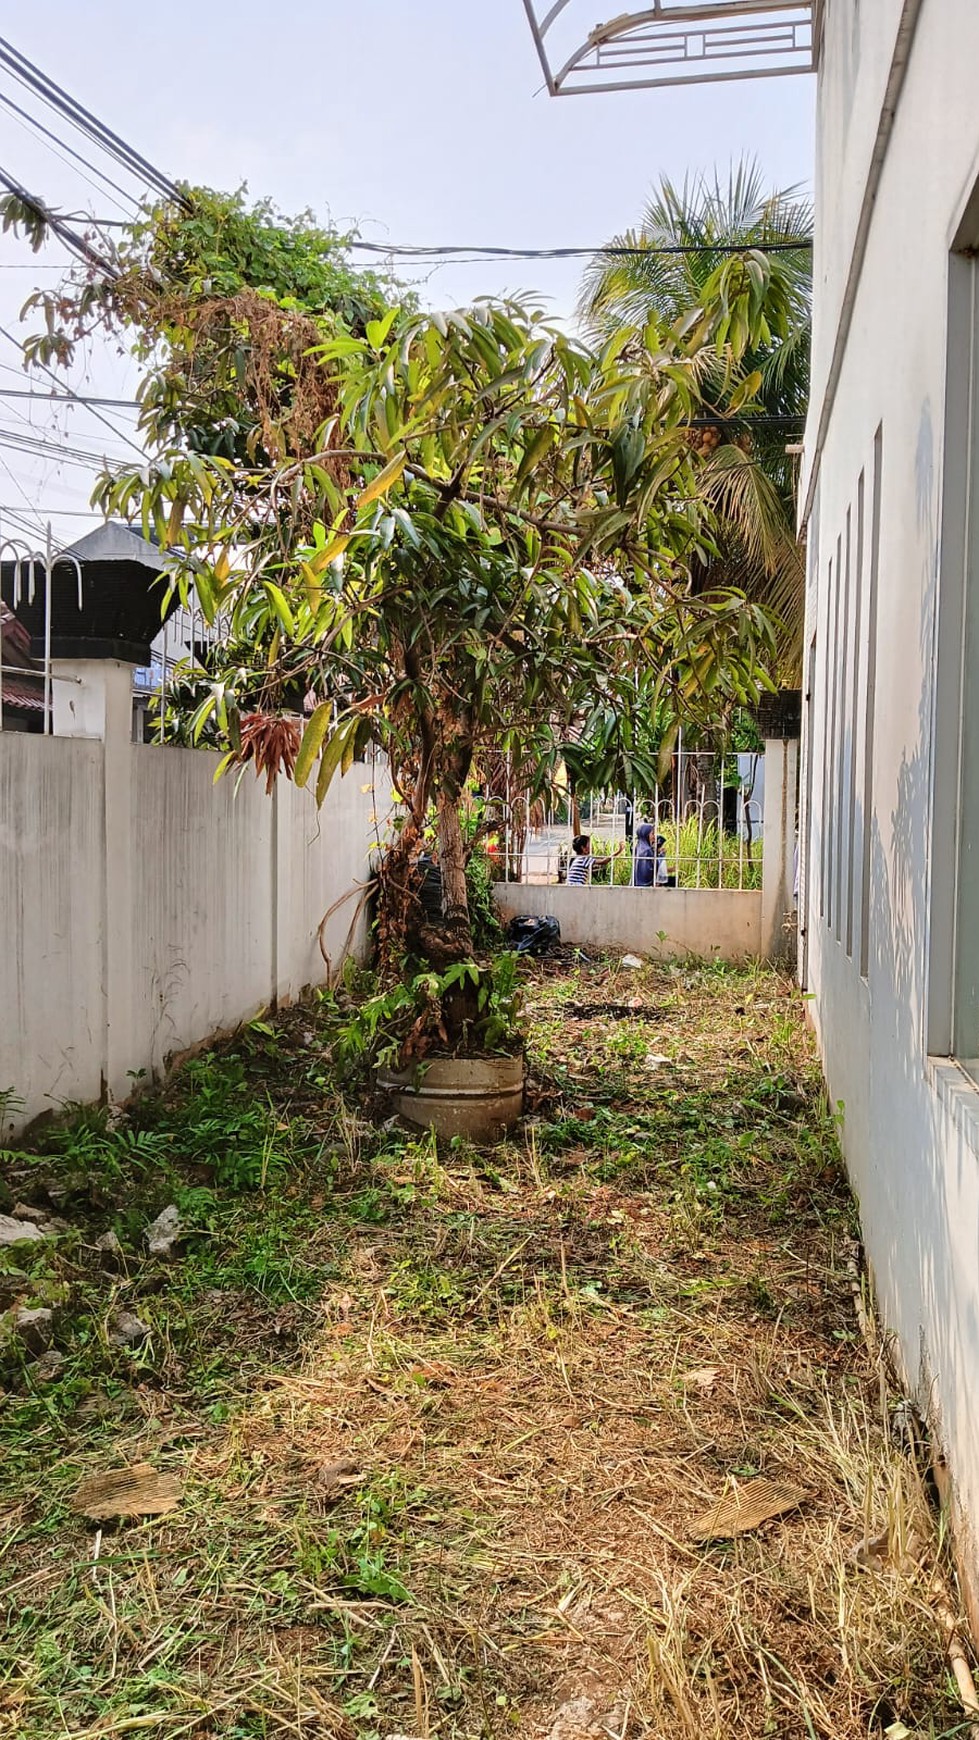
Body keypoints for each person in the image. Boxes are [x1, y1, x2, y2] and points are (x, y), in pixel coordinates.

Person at [634, 822, 676, 887]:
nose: (654, 837)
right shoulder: (647, 850)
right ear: (646, 834)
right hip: (647, 886)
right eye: (652, 834)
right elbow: (651, 870)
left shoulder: (638, 847)